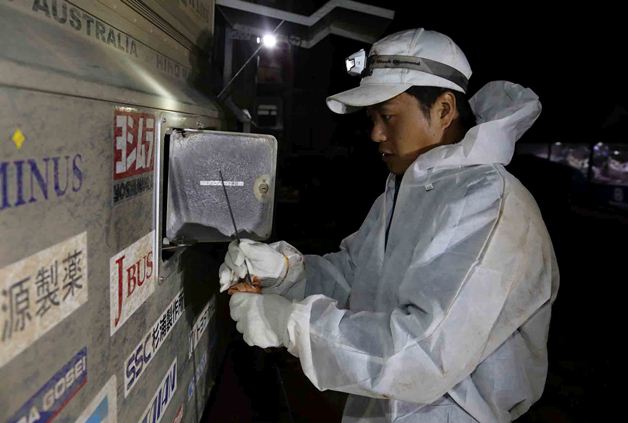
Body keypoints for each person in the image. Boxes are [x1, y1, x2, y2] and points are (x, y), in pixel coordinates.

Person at [219, 28, 559, 423]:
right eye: (372, 118)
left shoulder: (489, 206)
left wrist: (288, 324)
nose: (375, 133)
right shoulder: (407, 191)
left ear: (445, 110)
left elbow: (421, 356)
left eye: (388, 116)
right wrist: (284, 273)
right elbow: (355, 280)